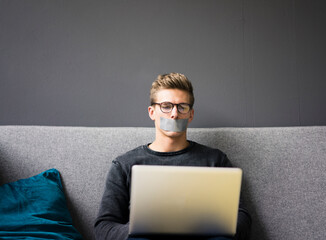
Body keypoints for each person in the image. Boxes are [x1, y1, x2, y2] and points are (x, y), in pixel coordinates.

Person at [94, 73, 251, 240]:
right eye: (166, 106)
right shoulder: (124, 165)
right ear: (151, 112)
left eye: (182, 106)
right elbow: (104, 226)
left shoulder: (215, 160)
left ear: (190, 114)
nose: (175, 114)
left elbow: (242, 216)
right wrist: (139, 229)